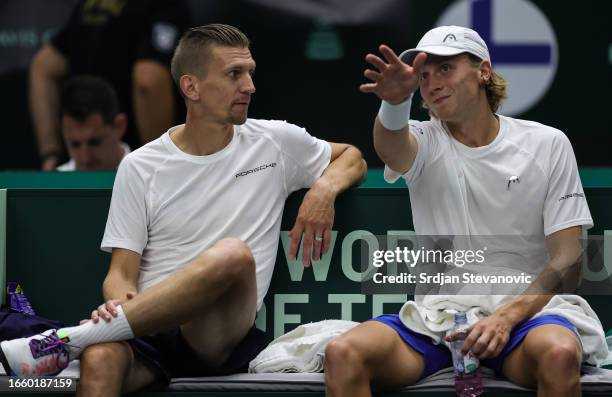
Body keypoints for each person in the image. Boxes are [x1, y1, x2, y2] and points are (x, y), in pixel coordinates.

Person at [0, 24, 366, 396]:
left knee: (233, 254)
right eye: (234, 74)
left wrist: (323, 190)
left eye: (250, 73)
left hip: (217, 337)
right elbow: (120, 274)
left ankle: (68, 340)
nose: (250, 86)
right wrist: (120, 301)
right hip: (148, 333)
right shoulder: (141, 165)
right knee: (100, 359)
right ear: (191, 87)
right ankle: (86, 340)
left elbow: (352, 157)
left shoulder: (276, 142)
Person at [324, 26, 603, 397]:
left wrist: (506, 317)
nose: (432, 83)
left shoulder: (547, 143)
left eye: (445, 69)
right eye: (423, 76)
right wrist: (394, 104)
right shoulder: (423, 140)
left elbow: (569, 259)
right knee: (343, 354)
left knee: (560, 353)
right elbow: (390, 145)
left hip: (526, 318)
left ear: (483, 71)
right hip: (438, 319)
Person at [29, 0, 190, 170]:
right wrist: (159, 164)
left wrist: (51, 156)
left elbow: (43, 66)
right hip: (133, 160)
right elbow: (148, 80)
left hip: (83, 161)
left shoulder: (91, 4)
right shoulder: (165, 6)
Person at [57, 75, 130, 171]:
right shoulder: (49, 185)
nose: (85, 158)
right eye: (75, 145)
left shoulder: (149, 179)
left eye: (94, 143)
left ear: (120, 126)